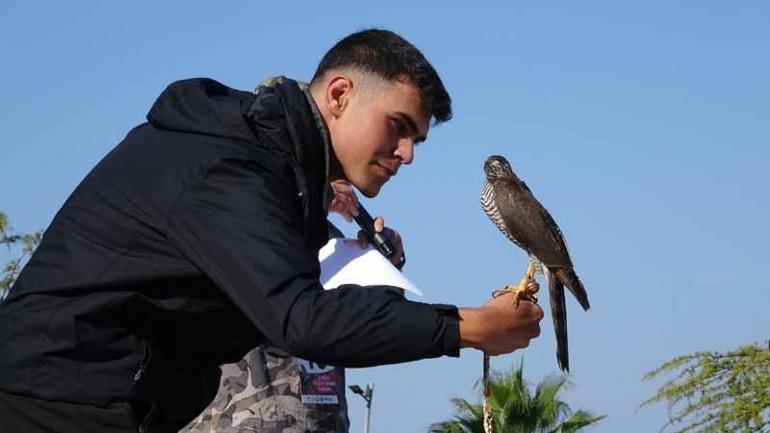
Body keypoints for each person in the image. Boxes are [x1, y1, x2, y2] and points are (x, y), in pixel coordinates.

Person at [0, 29, 544, 433]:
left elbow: (290, 307)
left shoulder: (280, 175)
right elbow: (299, 320)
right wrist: (467, 327)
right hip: (51, 404)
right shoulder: (232, 165)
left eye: (416, 141)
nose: (405, 154)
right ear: (338, 96)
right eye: (398, 127)